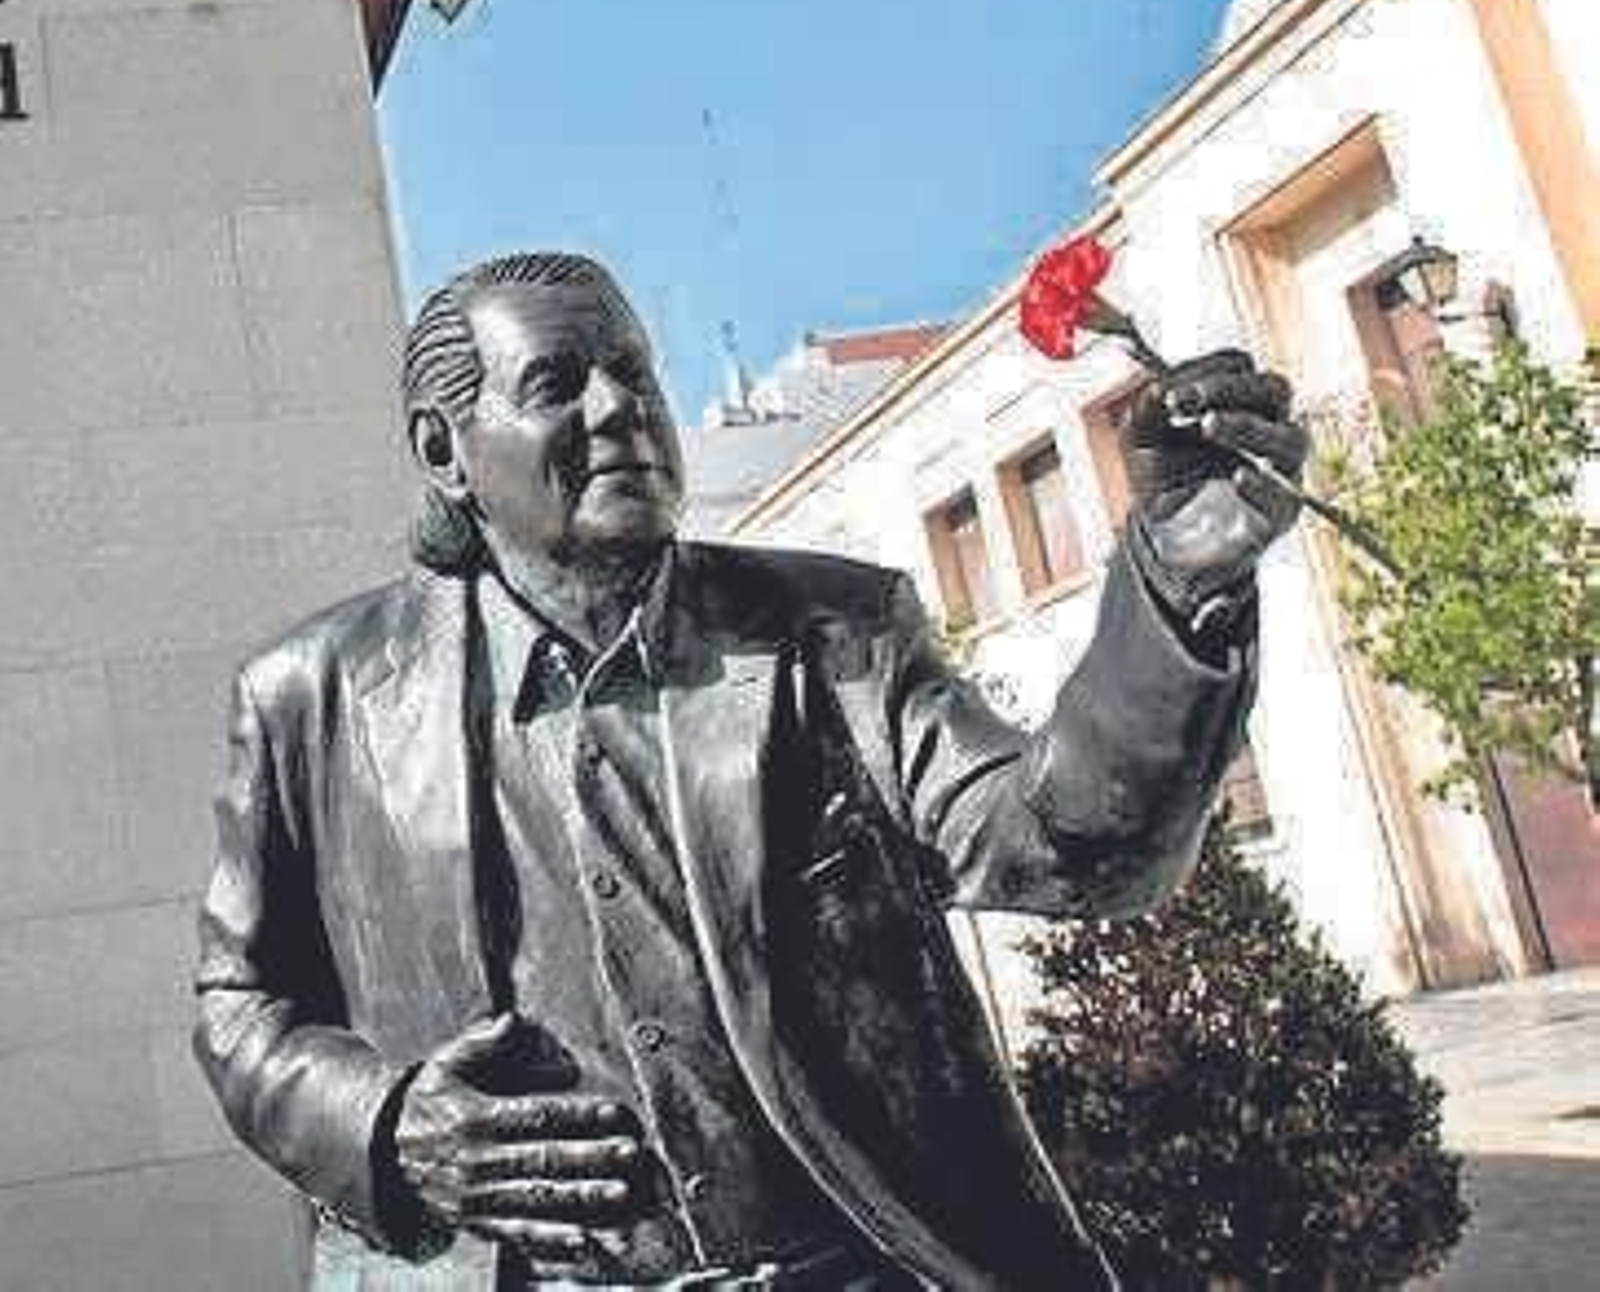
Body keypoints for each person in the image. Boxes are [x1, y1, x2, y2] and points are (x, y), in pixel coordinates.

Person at [194, 251, 1306, 1290]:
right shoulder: (316, 699)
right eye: (555, 383)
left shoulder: (837, 633)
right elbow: (244, 1005)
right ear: (447, 454)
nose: (619, 408)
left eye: (633, 372)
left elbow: (1067, 849)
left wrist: (1173, 586)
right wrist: (387, 1130)